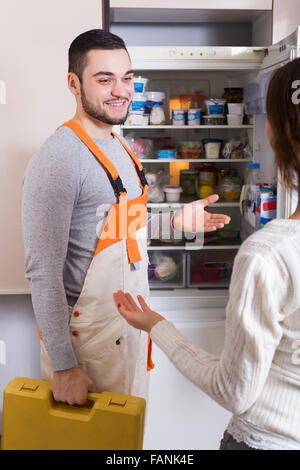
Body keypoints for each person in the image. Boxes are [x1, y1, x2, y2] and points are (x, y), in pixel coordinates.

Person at [22, 29, 230, 406]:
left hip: (127, 325)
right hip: (86, 342)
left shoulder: (121, 148)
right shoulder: (59, 159)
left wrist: (173, 223)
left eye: (127, 77)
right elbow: (43, 271)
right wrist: (64, 367)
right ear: (73, 83)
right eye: (105, 79)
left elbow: (112, 230)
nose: (120, 90)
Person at [114, 58, 300, 450]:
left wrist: (154, 325)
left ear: (277, 135)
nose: (118, 89)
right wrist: (173, 225)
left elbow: (234, 392)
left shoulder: (269, 253)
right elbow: (102, 226)